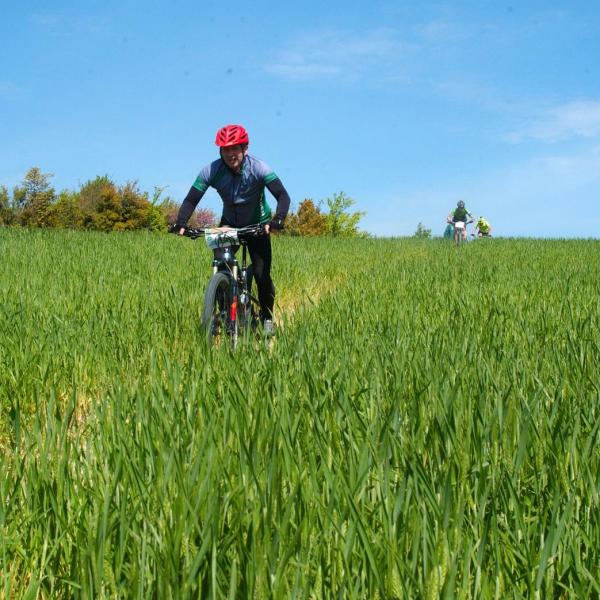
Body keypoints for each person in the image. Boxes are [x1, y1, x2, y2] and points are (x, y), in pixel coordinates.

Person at [175, 124, 290, 335]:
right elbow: (192, 198)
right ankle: (225, 308)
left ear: (244, 148)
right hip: (229, 224)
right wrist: (181, 222)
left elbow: (283, 196)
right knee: (221, 264)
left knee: (261, 274)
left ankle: (266, 318)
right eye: (225, 149)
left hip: (257, 225)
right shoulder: (212, 170)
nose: (230, 154)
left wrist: (278, 220)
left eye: (234, 148)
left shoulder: (259, 168)